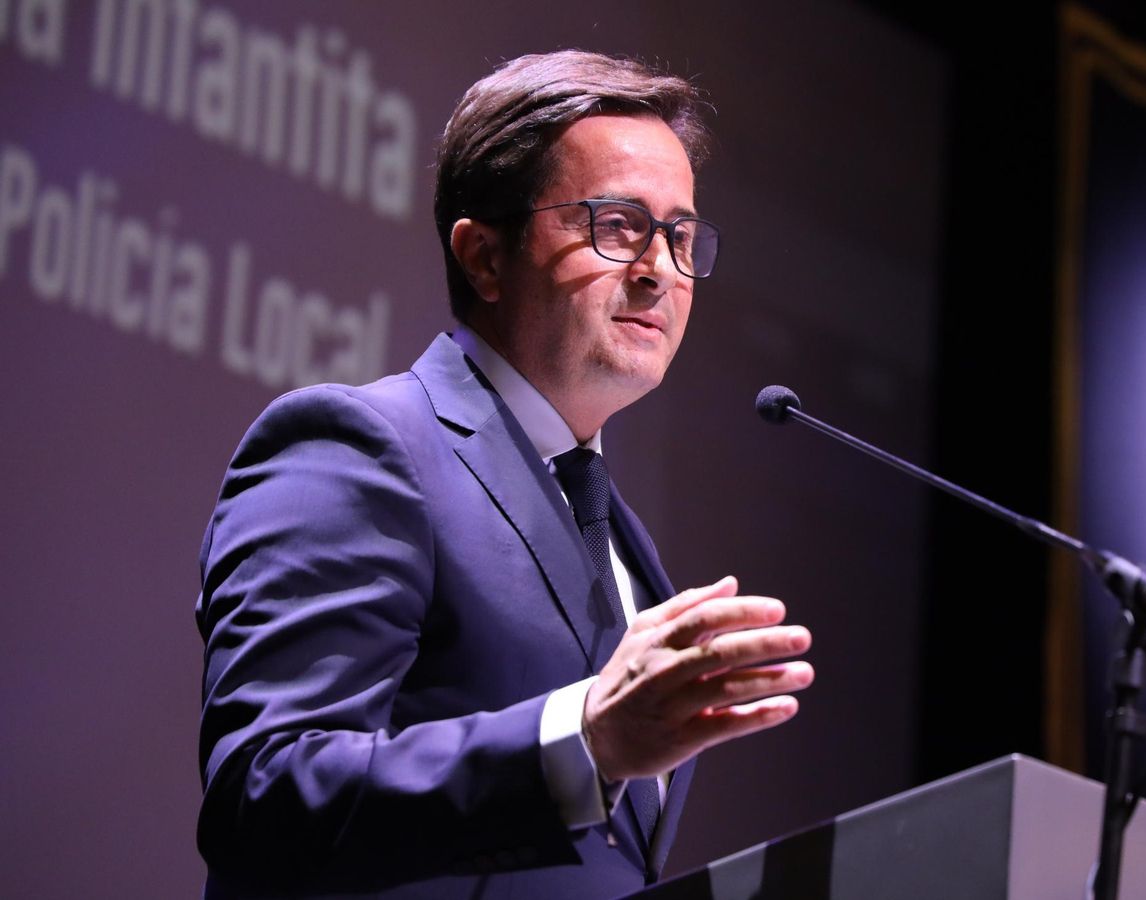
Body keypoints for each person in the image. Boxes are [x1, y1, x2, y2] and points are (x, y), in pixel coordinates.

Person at [194, 50, 814, 899]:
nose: (659, 269)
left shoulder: (623, 544)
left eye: (678, 235)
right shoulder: (360, 446)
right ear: (484, 257)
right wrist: (582, 742)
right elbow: (265, 796)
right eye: (617, 225)